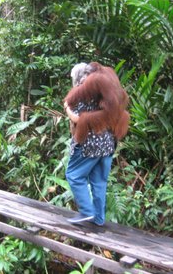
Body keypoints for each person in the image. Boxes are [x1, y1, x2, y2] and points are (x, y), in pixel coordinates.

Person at [63, 63, 117, 226]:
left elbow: (79, 119)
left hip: (90, 144)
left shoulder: (84, 92)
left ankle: (87, 212)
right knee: (99, 182)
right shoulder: (103, 91)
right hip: (107, 143)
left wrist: (66, 107)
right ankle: (98, 219)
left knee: (73, 175)